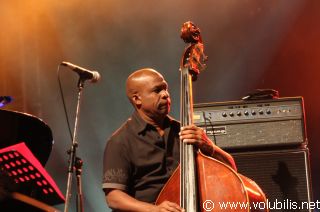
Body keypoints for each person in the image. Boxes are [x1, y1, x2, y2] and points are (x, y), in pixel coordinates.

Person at [102, 68, 236, 212]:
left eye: (165, 89)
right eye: (157, 90)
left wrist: (208, 145)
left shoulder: (184, 131)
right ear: (137, 99)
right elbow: (114, 198)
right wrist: (155, 210)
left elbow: (231, 168)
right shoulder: (120, 141)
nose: (165, 94)